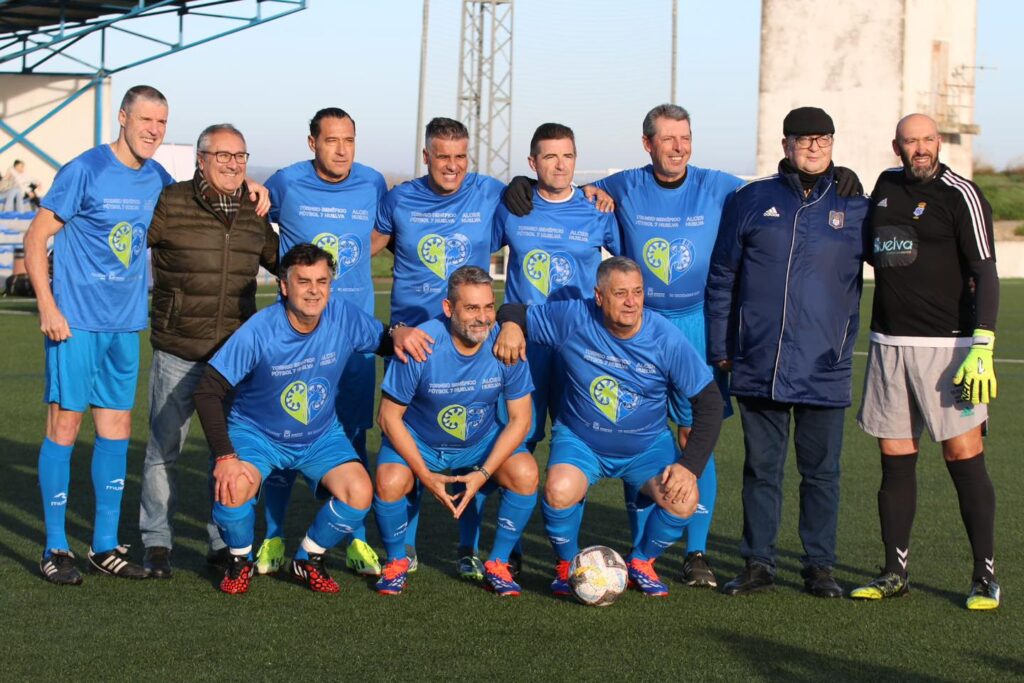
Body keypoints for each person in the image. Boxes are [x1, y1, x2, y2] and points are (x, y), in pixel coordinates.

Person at [504, 104, 858, 588]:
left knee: (692, 438)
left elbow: (782, 190)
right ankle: (630, 549)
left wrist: (838, 177)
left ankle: (695, 552)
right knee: (628, 426)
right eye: (667, 139)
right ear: (648, 144)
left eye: (685, 138)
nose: (678, 147)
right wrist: (520, 186)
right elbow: (566, 193)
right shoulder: (622, 185)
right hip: (631, 323)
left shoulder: (719, 185)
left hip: (693, 323)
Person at [191, 243, 430, 594]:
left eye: (322, 281)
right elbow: (207, 390)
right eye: (303, 281)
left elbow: (382, 338)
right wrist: (226, 457)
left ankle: (307, 559)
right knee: (233, 488)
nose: (314, 290)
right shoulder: (260, 330)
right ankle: (239, 560)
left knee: (359, 491)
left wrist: (399, 331)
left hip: (319, 436)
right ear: (284, 287)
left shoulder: (343, 316)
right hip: (258, 435)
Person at [706, 106, 869, 598]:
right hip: (760, 359)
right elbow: (721, 278)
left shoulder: (857, 205)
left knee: (821, 474)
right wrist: (721, 346)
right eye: (803, 139)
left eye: (823, 138)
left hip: (826, 362)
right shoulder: (751, 200)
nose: (814, 146)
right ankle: (758, 563)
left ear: (833, 144)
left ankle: (819, 567)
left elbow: (903, 258)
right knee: (761, 470)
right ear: (785, 145)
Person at [494, 256, 723, 598]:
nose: (632, 302)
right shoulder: (572, 317)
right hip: (582, 442)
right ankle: (568, 565)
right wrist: (511, 325)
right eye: (620, 293)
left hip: (646, 447)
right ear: (599, 297)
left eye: (638, 292)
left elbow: (710, 402)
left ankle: (642, 561)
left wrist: (689, 467)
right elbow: (513, 311)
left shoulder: (664, 336)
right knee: (559, 489)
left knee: (684, 500)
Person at [25, 85, 175, 585]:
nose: (153, 130)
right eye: (146, 120)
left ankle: (105, 546)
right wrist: (47, 305)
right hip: (75, 324)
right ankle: (54, 547)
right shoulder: (84, 170)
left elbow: (197, 203)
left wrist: (254, 191)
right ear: (122, 118)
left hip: (124, 326)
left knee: (116, 431)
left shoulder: (158, 178)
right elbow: (35, 237)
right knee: (64, 428)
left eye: (162, 122)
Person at [851, 113, 1001, 610]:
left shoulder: (962, 193)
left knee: (963, 456)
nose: (920, 148)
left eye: (928, 140)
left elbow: (986, 270)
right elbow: (876, 250)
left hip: (950, 349)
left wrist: (983, 344)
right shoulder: (884, 186)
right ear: (896, 146)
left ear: (938, 143)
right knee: (895, 460)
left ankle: (984, 577)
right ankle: (895, 572)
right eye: (911, 141)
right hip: (889, 344)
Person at [138, 123, 279, 579]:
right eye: (224, 155)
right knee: (163, 451)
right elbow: (126, 238)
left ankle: (223, 542)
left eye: (240, 156)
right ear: (202, 159)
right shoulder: (171, 200)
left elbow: (282, 262)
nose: (234, 164)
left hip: (233, 360)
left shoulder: (254, 210)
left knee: (230, 453)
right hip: (178, 350)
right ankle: (157, 541)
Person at [257, 108, 389, 578]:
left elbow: (383, 230)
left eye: (349, 140)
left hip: (352, 336)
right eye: (331, 140)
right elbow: (254, 207)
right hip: (294, 335)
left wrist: (349, 259)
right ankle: (272, 535)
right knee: (283, 429)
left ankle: (354, 538)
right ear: (312, 143)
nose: (341, 149)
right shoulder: (284, 182)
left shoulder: (373, 182)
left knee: (352, 433)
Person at [372, 116, 506, 579]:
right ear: (425, 156)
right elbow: (363, 246)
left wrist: (592, 191)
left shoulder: (489, 192)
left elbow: (538, 210)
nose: (452, 166)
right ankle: (403, 549)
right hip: (415, 342)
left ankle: (468, 548)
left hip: (471, 336)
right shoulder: (399, 198)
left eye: (460, 156)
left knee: (469, 433)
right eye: (442, 156)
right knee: (409, 443)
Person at [373, 265, 537, 596]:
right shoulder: (422, 343)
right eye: (472, 308)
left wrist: (485, 471)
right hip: (421, 440)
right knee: (390, 480)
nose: (483, 318)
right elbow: (388, 418)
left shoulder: (505, 344)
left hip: (478, 441)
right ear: (449, 309)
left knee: (525, 473)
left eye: (489, 307)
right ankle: (395, 561)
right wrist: (425, 474)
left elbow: (521, 419)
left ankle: (498, 562)